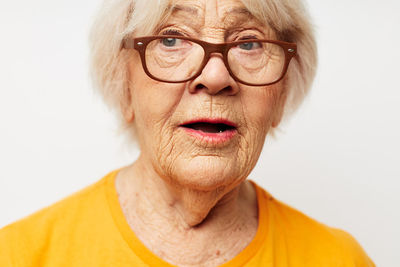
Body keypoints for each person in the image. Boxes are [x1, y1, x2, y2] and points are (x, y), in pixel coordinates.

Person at [0, 0, 375, 266]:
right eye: (171, 38)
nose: (214, 77)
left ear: (280, 96)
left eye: (249, 43)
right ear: (123, 84)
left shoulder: (340, 260)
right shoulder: (18, 256)